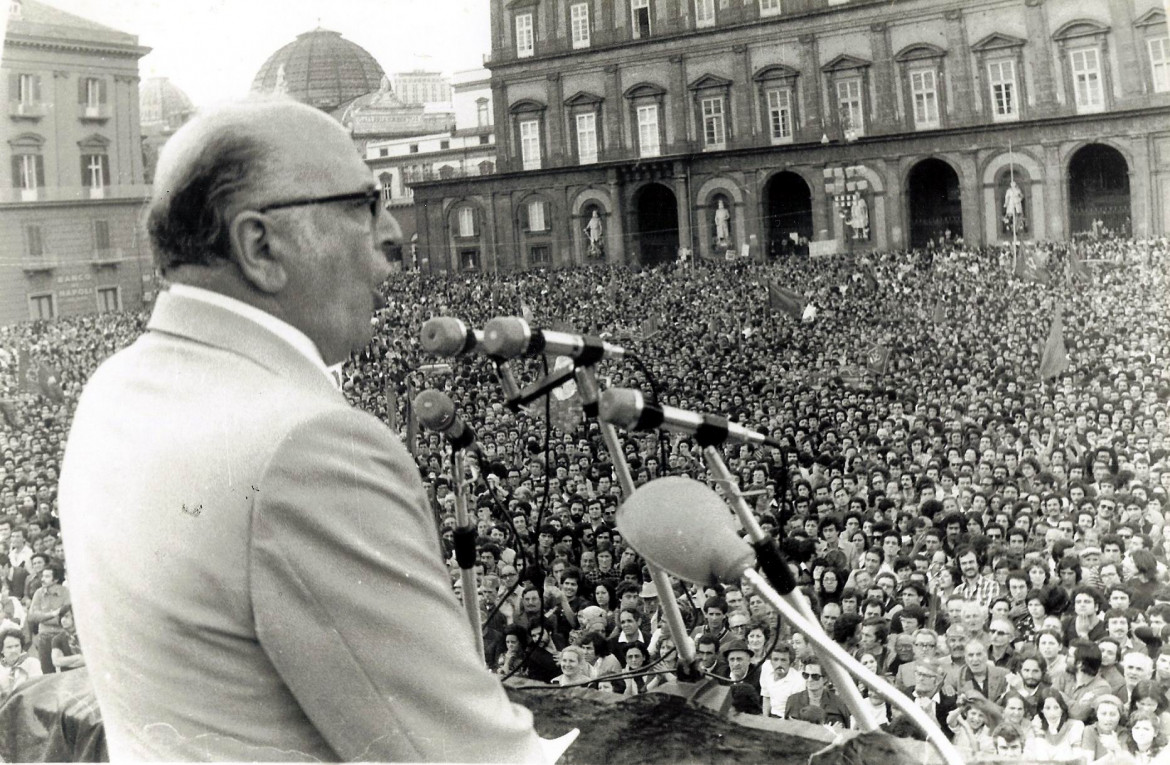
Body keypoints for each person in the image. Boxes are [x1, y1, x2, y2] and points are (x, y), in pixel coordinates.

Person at [57, 99, 553, 762]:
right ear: (261, 246)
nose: (394, 233)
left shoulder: (110, 389)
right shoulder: (311, 444)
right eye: (362, 203)